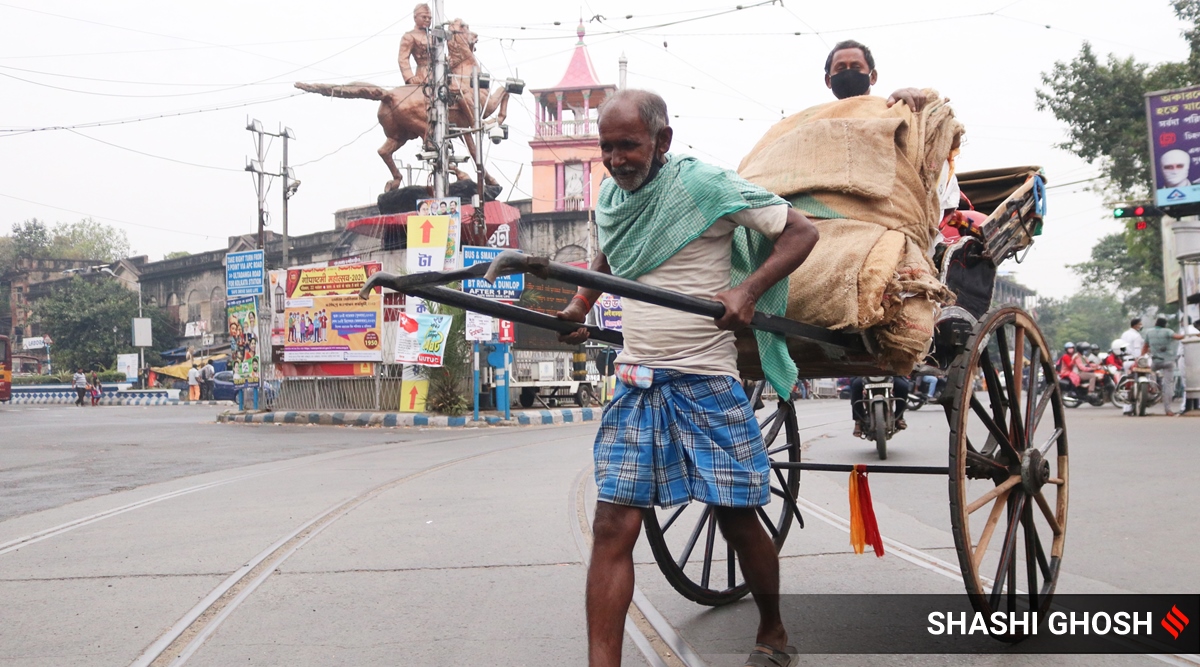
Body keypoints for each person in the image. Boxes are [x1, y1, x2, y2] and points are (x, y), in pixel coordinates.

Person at [555, 89, 818, 667]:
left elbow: (800, 232)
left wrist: (748, 290)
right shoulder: (611, 197)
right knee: (611, 524)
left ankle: (773, 631)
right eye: (607, 147)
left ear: (662, 141)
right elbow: (611, 251)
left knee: (736, 516)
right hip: (636, 383)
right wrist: (580, 304)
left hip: (705, 380)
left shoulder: (703, 184)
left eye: (629, 145)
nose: (616, 159)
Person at [823, 39, 928, 112]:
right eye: (841, 68)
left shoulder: (890, 111)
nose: (848, 73)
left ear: (873, 76)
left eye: (856, 67)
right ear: (828, 80)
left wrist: (904, 102)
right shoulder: (817, 120)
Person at [1144, 316, 1186, 416]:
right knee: (1168, 385)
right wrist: (1189, 335)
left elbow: (1145, 346)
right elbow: (1178, 337)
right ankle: (1168, 410)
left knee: (1148, 374)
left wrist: (1140, 357)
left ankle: (1153, 387)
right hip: (1168, 362)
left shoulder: (1149, 332)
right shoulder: (1168, 331)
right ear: (1165, 324)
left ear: (1156, 323)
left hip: (1155, 361)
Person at [397, 3, 433, 85]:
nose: (427, 20)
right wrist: (410, 77)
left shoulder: (434, 36)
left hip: (440, 73)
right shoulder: (409, 36)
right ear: (415, 18)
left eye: (429, 18)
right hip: (423, 75)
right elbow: (403, 59)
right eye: (424, 17)